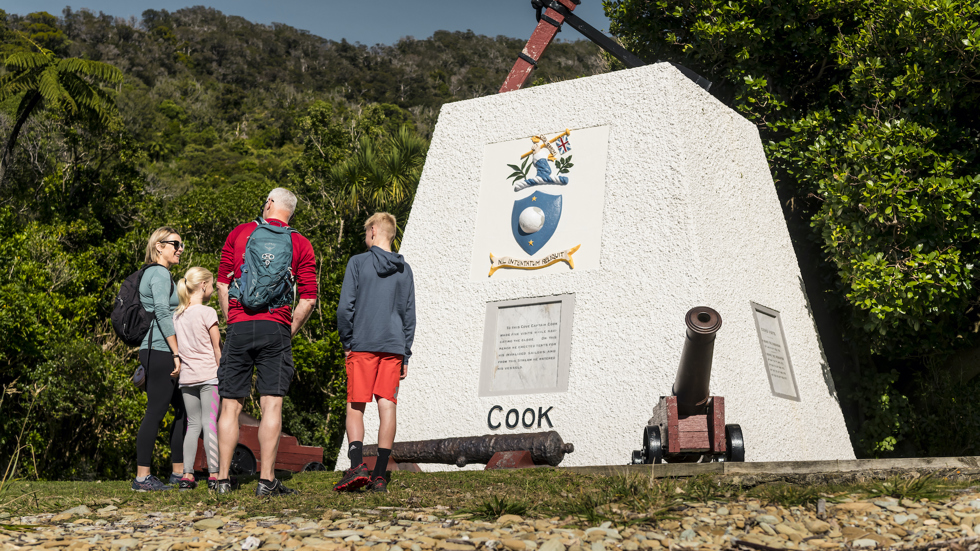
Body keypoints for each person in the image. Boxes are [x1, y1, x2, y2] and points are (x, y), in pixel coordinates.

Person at [214, 188, 317, 496]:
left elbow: (222, 282)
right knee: (271, 403)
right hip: (276, 327)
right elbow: (309, 299)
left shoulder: (241, 233)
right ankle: (266, 480)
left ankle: (221, 480)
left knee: (231, 405)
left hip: (240, 326)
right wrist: (287, 330)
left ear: (270, 204)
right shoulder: (300, 243)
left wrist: (233, 319)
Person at [334, 212, 416, 493]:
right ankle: (380, 474)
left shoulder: (358, 262)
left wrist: (347, 342)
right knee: (387, 405)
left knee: (356, 406)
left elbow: (345, 308)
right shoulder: (405, 270)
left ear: (373, 230)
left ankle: (357, 465)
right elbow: (409, 315)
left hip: (363, 344)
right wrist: (405, 352)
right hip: (393, 347)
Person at [132, 226, 186, 492]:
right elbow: (163, 313)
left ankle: (178, 472)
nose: (179, 250)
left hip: (159, 349)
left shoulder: (157, 274)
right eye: (175, 244)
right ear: (159, 247)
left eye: (181, 245)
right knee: (156, 411)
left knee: (183, 408)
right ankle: (142, 477)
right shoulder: (160, 273)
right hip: (161, 350)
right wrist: (176, 352)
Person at [173, 267, 222, 491]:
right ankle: (214, 473)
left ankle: (187, 475)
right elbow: (217, 347)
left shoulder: (177, 315)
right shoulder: (208, 312)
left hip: (187, 378)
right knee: (209, 423)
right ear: (203, 285)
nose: (211, 288)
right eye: (211, 284)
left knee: (192, 425)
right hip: (209, 376)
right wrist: (224, 370)